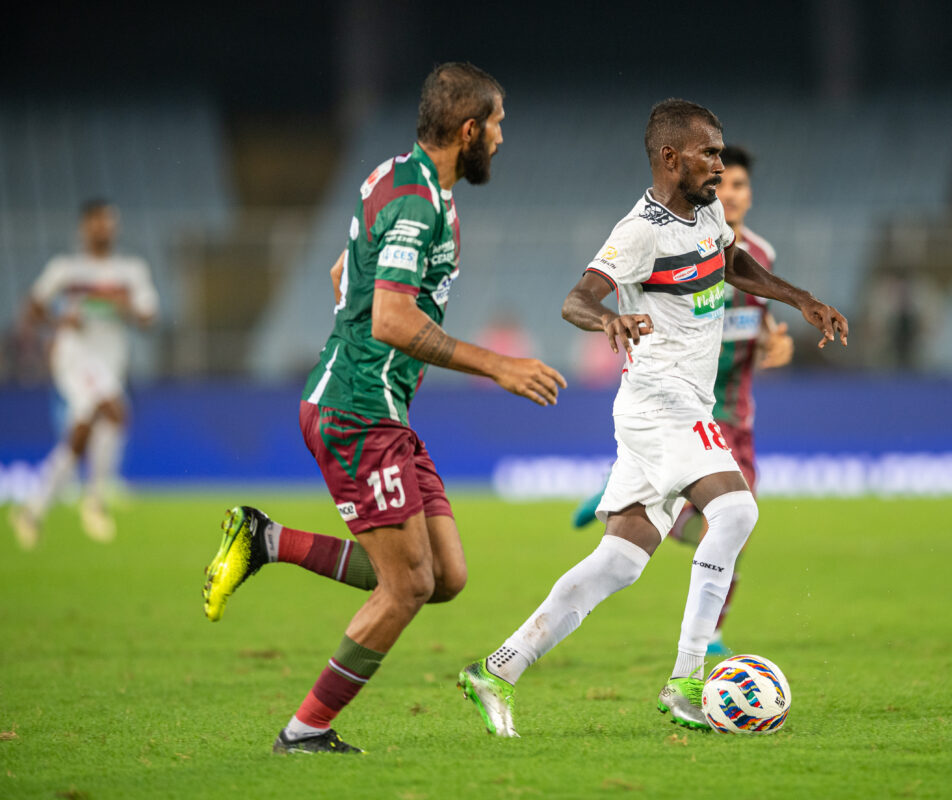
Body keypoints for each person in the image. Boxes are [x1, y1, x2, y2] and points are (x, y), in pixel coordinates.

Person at [200, 62, 566, 755]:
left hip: (381, 407)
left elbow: (345, 272)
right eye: (497, 124)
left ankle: (267, 540)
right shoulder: (419, 203)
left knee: (444, 577)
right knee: (407, 587)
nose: (502, 136)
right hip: (356, 410)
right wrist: (499, 366)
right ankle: (304, 732)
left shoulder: (393, 177)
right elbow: (392, 322)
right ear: (468, 130)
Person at [458, 99, 847, 736]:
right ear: (671, 158)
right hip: (660, 403)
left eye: (721, 154)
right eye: (710, 154)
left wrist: (799, 297)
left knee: (621, 561)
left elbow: (730, 260)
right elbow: (575, 299)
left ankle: (496, 669)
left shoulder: (708, 209)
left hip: (670, 406)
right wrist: (608, 317)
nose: (720, 165)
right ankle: (687, 680)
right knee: (737, 510)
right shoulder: (640, 231)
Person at [568, 145, 794, 657]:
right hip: (684, 408)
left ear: (748, 195)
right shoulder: (674, 241)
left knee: (733, 522)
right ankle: (705, 642)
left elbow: (748, 327)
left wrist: (775, 340)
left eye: (738, 185)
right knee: (734, 515)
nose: (728, 191)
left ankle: (632, 497)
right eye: (724, 181)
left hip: (734, 408)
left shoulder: (758, 254)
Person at [8, 199, 158, 549]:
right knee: (115, 410)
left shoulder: (130, 271)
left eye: (108, 222)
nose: (103, 228)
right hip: (74, 357)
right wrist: (60, 320)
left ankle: (32, 510)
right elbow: (30, 309)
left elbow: (150, 319)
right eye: (97, 222)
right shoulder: (66, 269)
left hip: (110, 362)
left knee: (82, 433)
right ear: (84, 227)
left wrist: (130, 309)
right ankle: (95, 501)